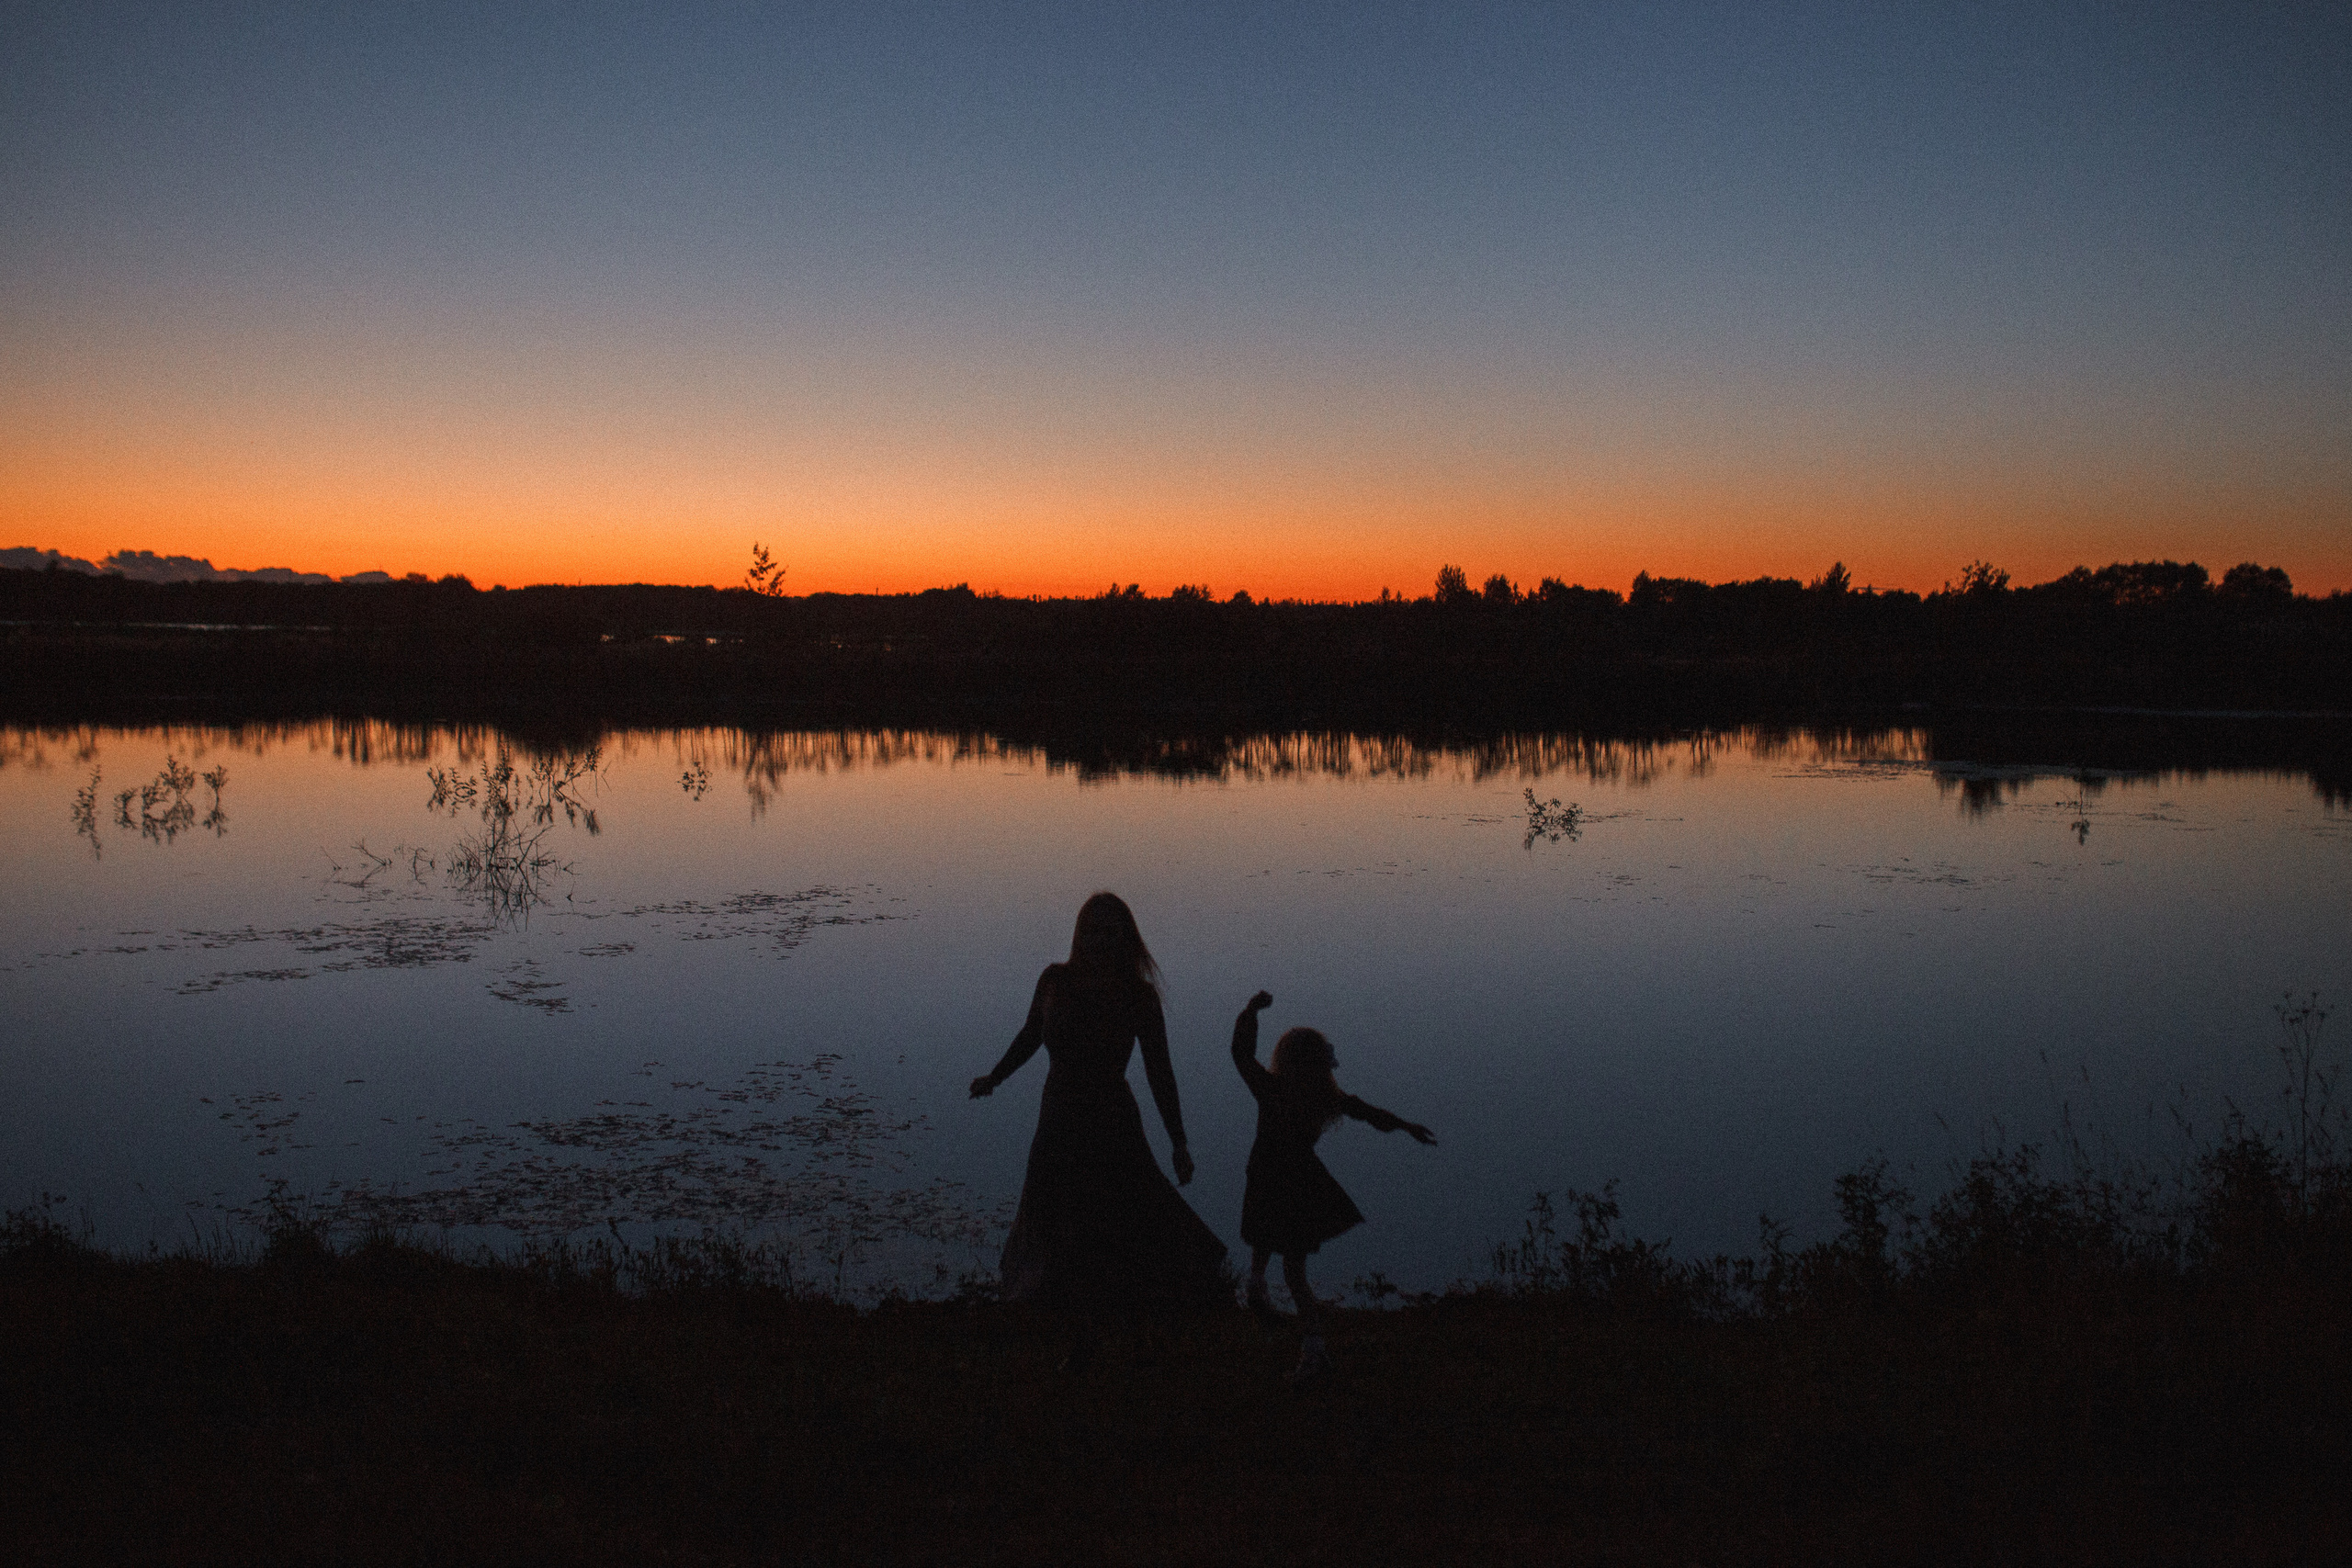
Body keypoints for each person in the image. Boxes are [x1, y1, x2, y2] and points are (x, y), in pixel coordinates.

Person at [970, 892, 1227, 1313]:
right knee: (1048, 1204)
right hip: (1057, 1113)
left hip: (1111, 1117)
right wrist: (995, 1077)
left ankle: (1146, 1293)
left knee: (1123, 1204)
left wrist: (1178, 1141)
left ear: (1125, 938)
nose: (1100, 941)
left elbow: (1160, 1072)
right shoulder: (1054, 980)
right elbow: (1031, 1035)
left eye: (1111, 933)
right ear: (1079, 934)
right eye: (1093, 931)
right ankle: (1041, 1294)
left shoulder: (1138, 996)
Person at [1230, 989, 1435, 1378]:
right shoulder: (1326, 1098)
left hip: (1269, 1179)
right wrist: (1407, 1127)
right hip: (1300, 1184)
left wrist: (1251, 1013)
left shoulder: (1272, 1090)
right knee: (1286, 1261)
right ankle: (1267, 1299)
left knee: (1277, 1251)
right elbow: (1369, 1113)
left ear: (1284, 1060)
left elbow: (1241, 1056)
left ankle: (1312, 1349)